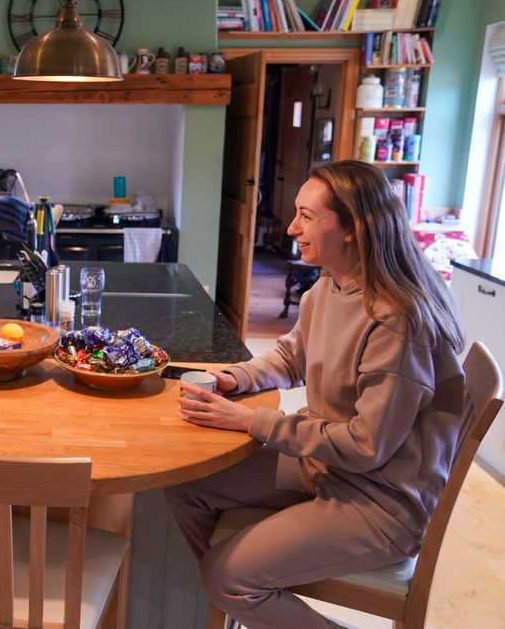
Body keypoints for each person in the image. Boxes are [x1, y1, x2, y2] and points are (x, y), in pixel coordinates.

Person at [166, 160, 470, 629]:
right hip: (324, 468)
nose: (291, 228)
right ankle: (252, 601)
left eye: (307, 216)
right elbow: (291, 356)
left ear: (353, 227)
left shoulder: (396, 320)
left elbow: (366, 447)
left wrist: (250, 421)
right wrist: (236, 378)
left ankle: (241, 591)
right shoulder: (329, 286)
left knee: (226, 576)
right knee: (185, 485)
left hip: (380, 503)